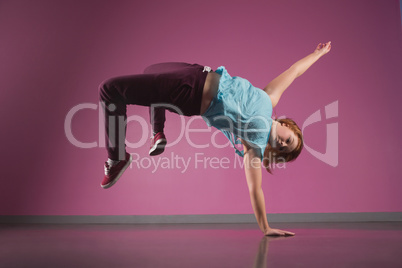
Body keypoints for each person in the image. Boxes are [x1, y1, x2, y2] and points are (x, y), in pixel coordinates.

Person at [98, 41, 332, 236]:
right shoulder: (269, 98)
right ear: (285, 124)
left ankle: (117, 157)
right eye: (288, 141)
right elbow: (294, 71)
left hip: (187, 93)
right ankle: (157, 132)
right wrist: (317, 54)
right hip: (198, 72)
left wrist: (265, 227)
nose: (282, 145)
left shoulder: (254, 144)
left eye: (283, 150)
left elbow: (255, 189)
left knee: (110, 89)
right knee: (150, 70)